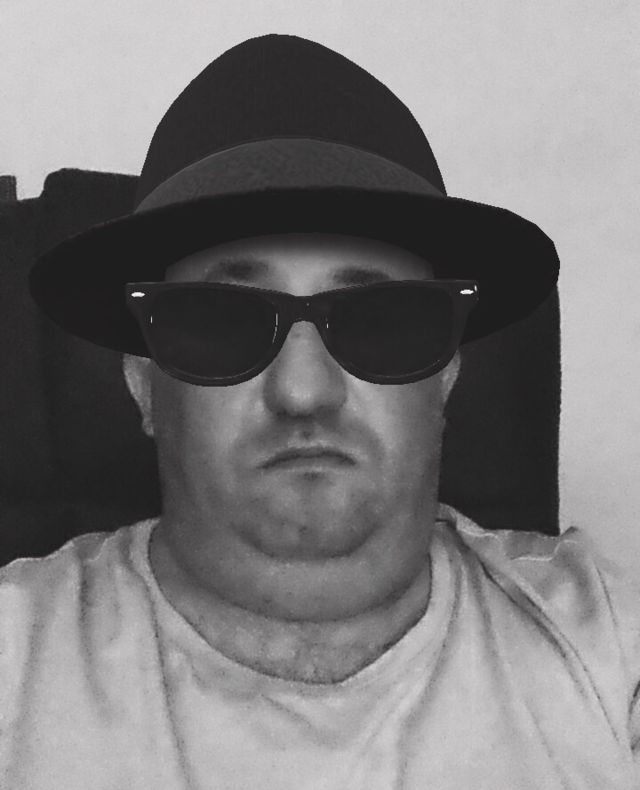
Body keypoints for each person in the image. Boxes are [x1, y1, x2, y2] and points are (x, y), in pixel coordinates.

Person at [2, 33, 639, 789]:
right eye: (220, 321)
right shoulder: (15, 660)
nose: (303, 392)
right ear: (144, 386)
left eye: (383, 321)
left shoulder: (607, 645)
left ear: (447, 376)